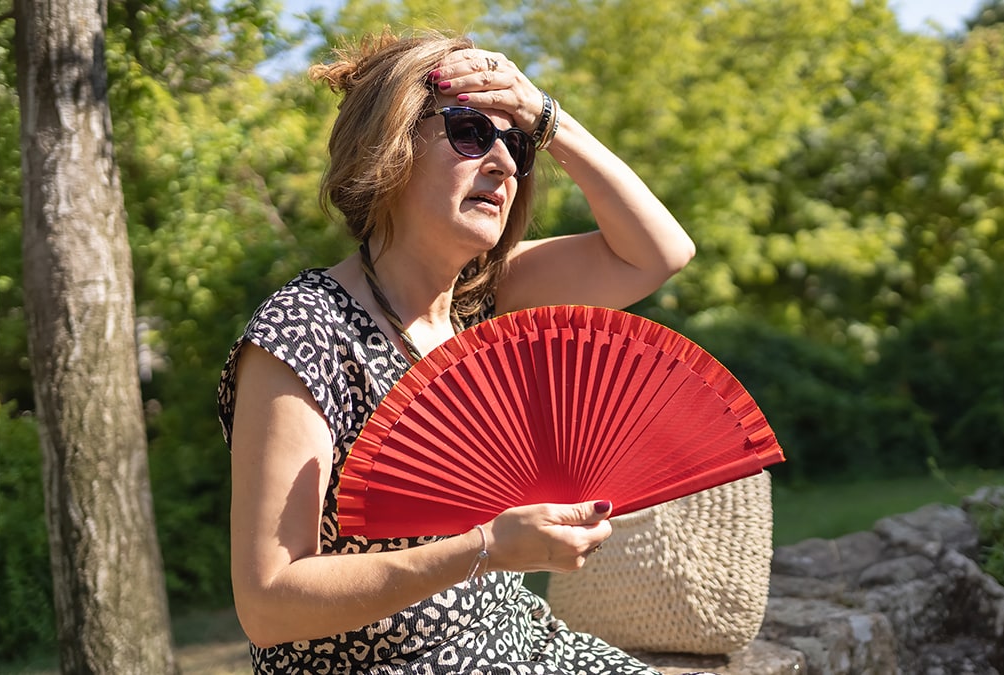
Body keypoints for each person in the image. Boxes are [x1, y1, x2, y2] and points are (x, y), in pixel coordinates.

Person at [217, 28, 697, 674]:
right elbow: (268, 600)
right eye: (471, 132)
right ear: (389, 145)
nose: (502, 162)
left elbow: (661, 252)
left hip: (524, 649)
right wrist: (486, 547)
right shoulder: (305, 330)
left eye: (517, 145)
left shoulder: (485, 303)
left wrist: (548, 117)